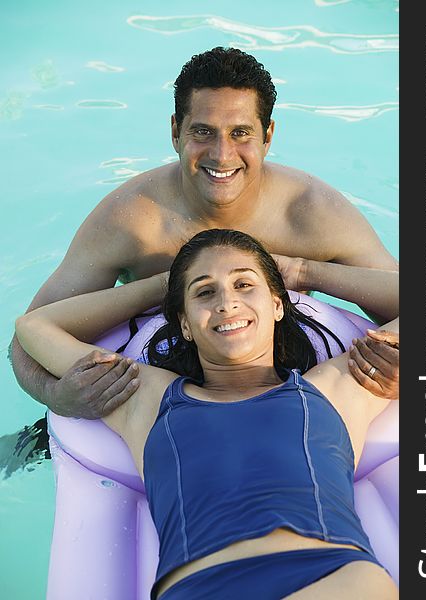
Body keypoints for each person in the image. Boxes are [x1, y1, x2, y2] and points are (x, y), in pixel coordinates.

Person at [10, 46, 398, 423]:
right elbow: (27, 342)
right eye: (203, 132)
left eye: (241, 133)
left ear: (268, 136)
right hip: (154, 387)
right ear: (176, 131)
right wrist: (56, 396)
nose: (222, 155)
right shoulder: (131, 220)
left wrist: (304, 272)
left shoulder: (313, 214)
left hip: (287, 381)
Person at [16, 229, 398, 599]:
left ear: (278, 305)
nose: (226, 303)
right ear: (183, 323)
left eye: (245, 285)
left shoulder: (334, 387)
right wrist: (161, 286)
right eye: (204, 291)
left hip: (331, 578)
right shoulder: (147, 397)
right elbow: (35, 326)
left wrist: (304, 272)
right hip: (203, 586)